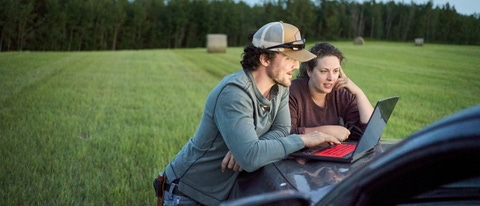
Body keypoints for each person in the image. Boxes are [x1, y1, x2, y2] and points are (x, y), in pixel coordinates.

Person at [158, 22, 348, 205]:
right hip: (188, 192)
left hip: (222, 193)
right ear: (264, 59)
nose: (297, 66)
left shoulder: (280, 87)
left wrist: (254, 148)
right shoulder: (235, 93)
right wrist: (304, 139)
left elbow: (282, 129)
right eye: (290, 58)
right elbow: (250, 158)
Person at [289, 42, 374, 140]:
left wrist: (359, 94)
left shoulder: (340, 93)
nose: (331, 78)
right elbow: (286, 134)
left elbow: (370, 135)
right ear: (309, 71)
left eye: (335, 71)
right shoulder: (293, 92)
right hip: (300, 154)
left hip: (332, 153)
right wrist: (327, 131)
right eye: (324, 71)